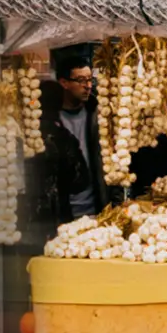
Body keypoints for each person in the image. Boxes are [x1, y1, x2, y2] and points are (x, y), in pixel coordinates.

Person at [31, 52, 100, 228]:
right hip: (62, 209)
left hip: (96, 206)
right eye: (81, 80)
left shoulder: (97, 114)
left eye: (89, 80)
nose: (87, 86)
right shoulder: (46, 121)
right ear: (64, 83)